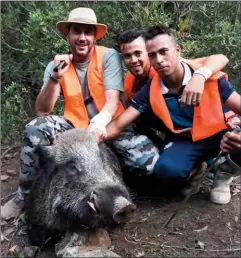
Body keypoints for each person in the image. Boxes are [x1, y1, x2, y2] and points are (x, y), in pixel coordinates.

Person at [1, 7, 159, 220]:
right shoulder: (56, 65)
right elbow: (42, 111)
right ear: (68, 35)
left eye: (88, 32)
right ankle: (24, 195)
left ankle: (126, 188)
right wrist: (55, 78)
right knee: (36, 127)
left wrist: (100, 124)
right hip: (76, 130)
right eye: (77, 31)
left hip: (112, 125)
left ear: (95, 36)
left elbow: (112, 102)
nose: (82, 37)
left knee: (149, 165)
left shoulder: (108, 56)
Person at [102, 25, 241, 204]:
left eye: (164, 52)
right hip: (186, 139)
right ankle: (195, 168)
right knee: (166, 172)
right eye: (153, 55)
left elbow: (221, 58)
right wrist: (90, 136)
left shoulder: (206, 75)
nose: (159, 60)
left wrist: (200, 76)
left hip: (220, 132)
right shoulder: (146, 89)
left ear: (177, 51)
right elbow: (118, 125)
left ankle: (225, 173)